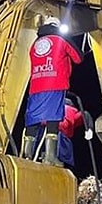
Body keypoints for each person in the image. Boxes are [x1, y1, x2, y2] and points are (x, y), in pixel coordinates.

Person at [22, 16, 83, 166]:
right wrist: (65, 37)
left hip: (35, 86)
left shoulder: (34, 44)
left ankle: (26, 156)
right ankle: (50, 156)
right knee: (53, 120)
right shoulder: (60, 39)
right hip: (54, 84)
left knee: (32, 120)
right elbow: (78, 58)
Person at [34, 98, 94, 169]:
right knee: (62, 155)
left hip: (48, 133)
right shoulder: (72, 112)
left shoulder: (51, 108)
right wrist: (90, 129)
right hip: (61, 136)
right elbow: (85, 115)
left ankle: (41, 156)